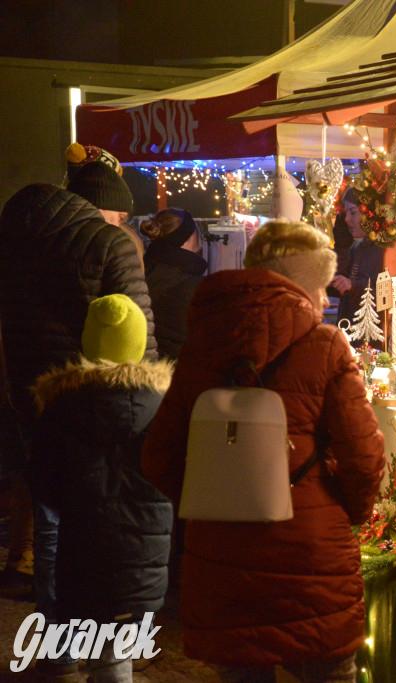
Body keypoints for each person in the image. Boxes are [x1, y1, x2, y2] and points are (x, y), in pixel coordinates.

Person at [142, 220, 386, 683]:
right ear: (309, 285)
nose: (326, 300)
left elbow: (159, 455)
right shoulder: (326, 344)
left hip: (223, 559)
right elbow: (364, 457)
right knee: (329, 673)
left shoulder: (203, 345)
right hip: (312, 553)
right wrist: (343, 512)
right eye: (322, 288)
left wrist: (213, 499)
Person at [0, 179, 157, 678]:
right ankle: (113, 657)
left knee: (49, 524)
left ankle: (59, 648)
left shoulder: (14, 234)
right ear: (108, 209)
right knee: (110, 528)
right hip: (100, 401)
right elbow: (138, 330)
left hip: (33, 396)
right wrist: (149, 399)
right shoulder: (107, 242)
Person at [29, 294, 173, 682]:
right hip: (147, 559)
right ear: (140, 344)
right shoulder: (166, 406)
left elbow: (44, 482)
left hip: (83, 551)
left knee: (97, 641)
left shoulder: (62, 405)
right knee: (116, 655)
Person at [330, 187, 396, 324]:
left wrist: (354, 287)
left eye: (353, 213)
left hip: (385, 340)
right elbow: (336, 281)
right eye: (345, 214)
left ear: (371, 214)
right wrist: (342, 247)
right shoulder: (360, 247)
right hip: (357, 337)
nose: (347, 219)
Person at [141, 208, 208, 359]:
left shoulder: (141, 270)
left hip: (146, 366)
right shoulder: (196, 287)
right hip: (182, 371)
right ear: (185, 240)